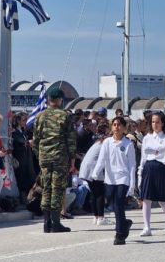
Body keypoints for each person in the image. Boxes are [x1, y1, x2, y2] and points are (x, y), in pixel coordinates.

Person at [33, 87, 77, 233]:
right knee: (57, 189)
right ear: (60, 100)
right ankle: (55, 222)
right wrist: (72, 159)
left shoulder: (40, 116)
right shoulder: (65, 116)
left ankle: (46, 223)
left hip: (44, 157)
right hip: (60, 157)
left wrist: (39, 154)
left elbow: (36, 139)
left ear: (48, 99)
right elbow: (71, 140)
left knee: (46, 188)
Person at [92, 117, 136, 245]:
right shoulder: (107, 142)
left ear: (123, 128)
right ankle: (125, 224)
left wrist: (132, 184)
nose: (116, 127)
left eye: (119, 125)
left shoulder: (128, 144)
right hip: (110, 179)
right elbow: (102, 159)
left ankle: (119, 234)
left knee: (118, 205)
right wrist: (96, 172)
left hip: (123, 178)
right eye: (114, 124)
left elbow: (132, 165)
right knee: (112, 204)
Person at [138, 112, 165, 236]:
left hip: (161, 167)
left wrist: (152, 149)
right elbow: (144, 155)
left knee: (162, 199)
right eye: (153, 122)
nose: (155, 124)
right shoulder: (146, 137)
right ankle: (147, 227)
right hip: (149, 167)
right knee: (146, 199)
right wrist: (140, 170)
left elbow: (163, 148)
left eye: (158, 122)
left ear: (162, 123)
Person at [80, 131, 113, 226]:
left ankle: (96, 217)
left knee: (94, 194)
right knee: (100, 194)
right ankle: (101, 218)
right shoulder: (104, 145)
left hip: (86, 169)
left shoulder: (97, 144)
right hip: (93, 169)